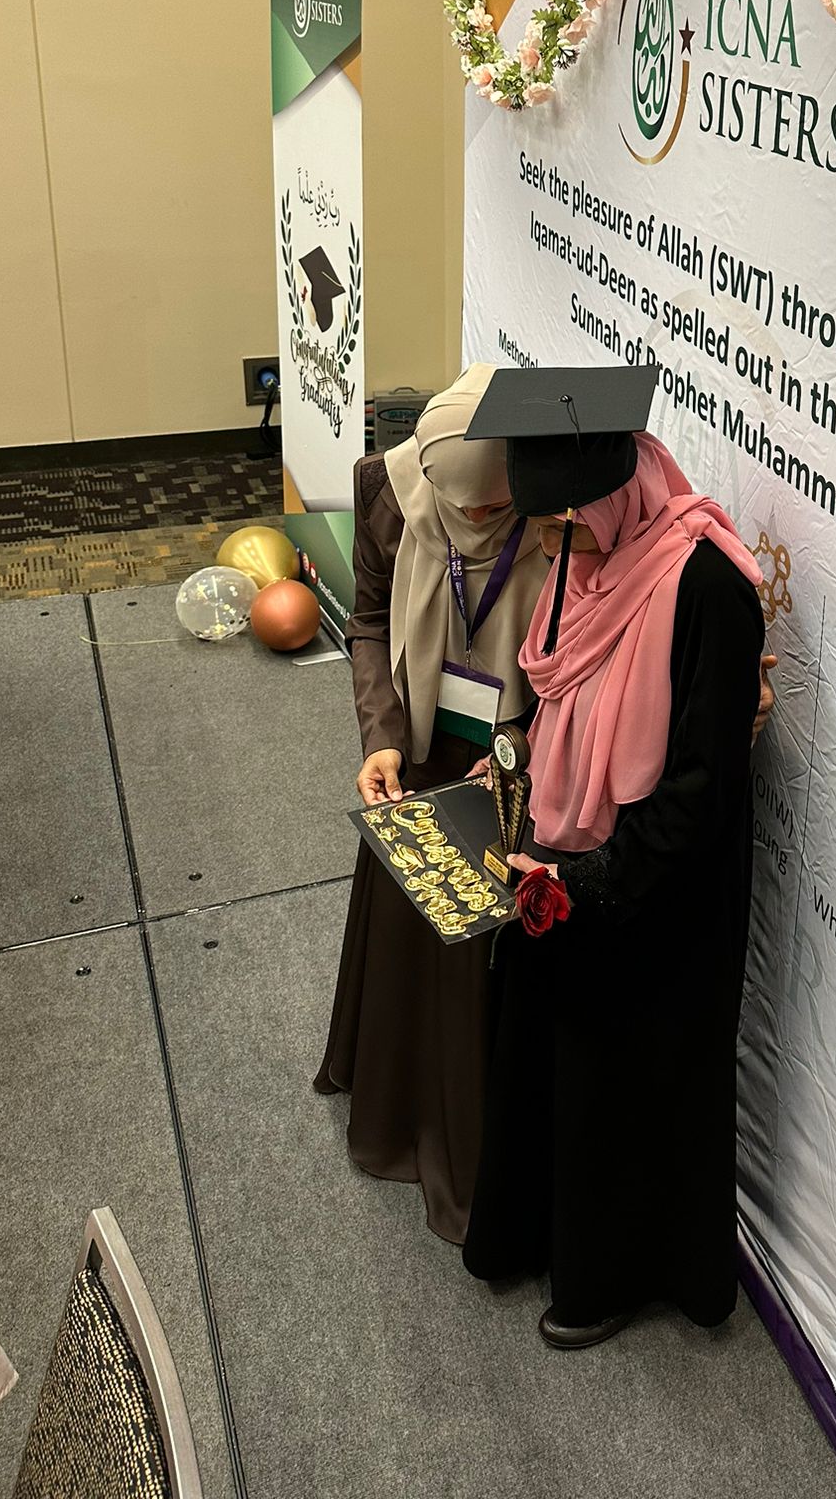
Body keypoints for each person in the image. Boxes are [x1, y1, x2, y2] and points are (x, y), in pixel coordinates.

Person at [460, 366, 766, 1347]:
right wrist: (514, 764)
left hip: (658, 887)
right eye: (545, 528)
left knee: (623, 1084)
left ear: (615, 494)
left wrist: (589, 882)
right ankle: (532, 1231)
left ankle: (614, 1276)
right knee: (550, 1055)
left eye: (567, 525)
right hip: (561, 858)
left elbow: (701, 788)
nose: (554, 549)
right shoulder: (580, 567)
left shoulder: (708, 588)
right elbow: (555, 696)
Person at [314, 364, 547, 1244]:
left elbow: (572, 658)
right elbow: (368, 622)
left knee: (477, 958)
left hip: (511, 753)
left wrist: (521, 748)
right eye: (468, 507)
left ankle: (467, 1138)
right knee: (408, 929)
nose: (483, 519)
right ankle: (395, 1104)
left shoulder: (554, 508)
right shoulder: (385, 489)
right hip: (418, 742)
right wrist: (378, 735)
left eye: (500, 508)